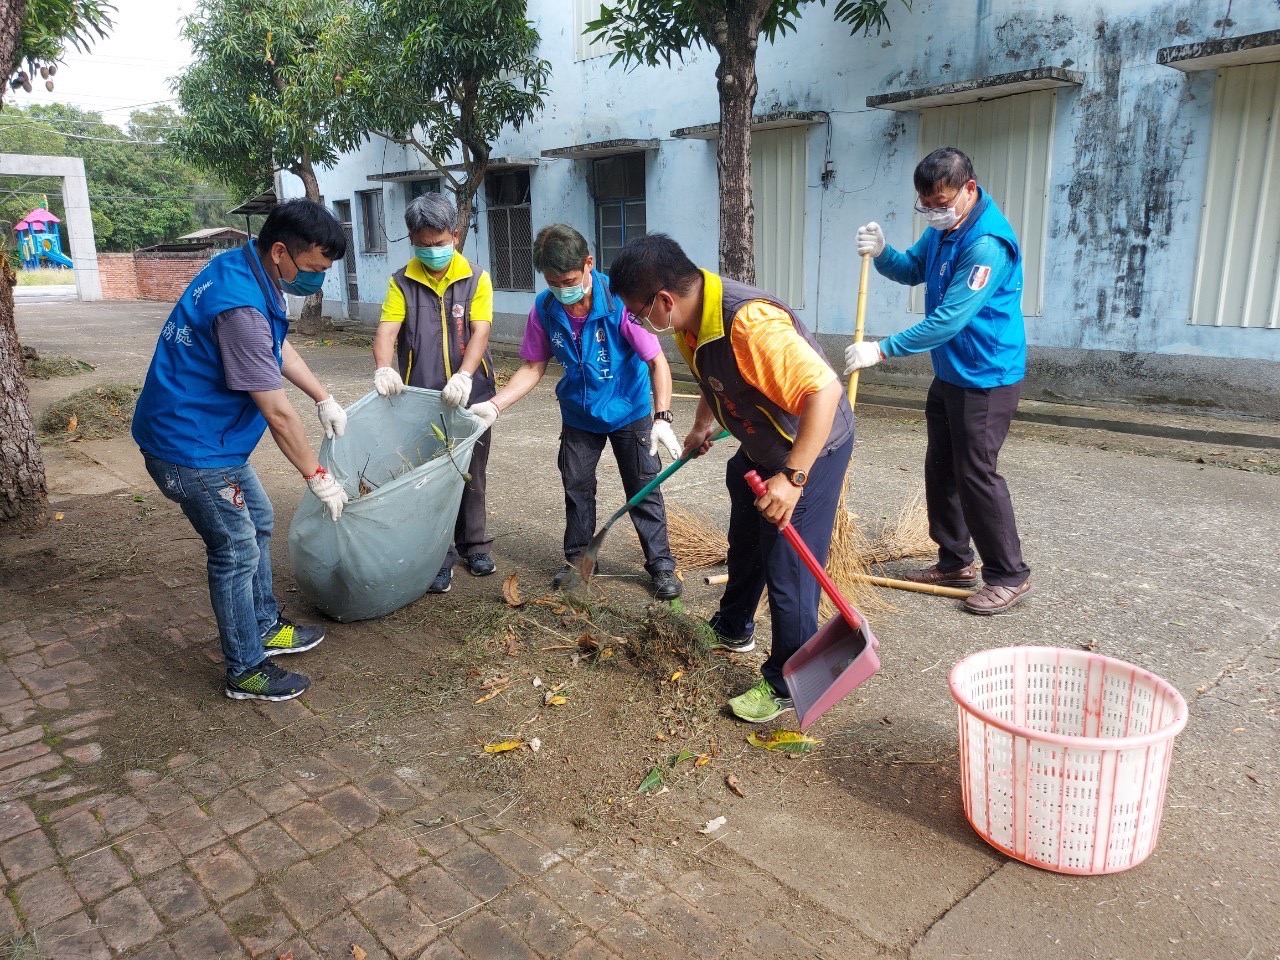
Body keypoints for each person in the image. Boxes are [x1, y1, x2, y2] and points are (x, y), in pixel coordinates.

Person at [608, 234, 854, 723]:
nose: (639, 323)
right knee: (745, 532)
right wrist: (703, 425)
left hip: (810, 447)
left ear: (664, 300)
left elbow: (824, 392)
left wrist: (793, 478)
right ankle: (734, 625)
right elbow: (712, 375)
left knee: (788, 566)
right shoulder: (691, 317)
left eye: (638, 313)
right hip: (761, 444)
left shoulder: (752, 325)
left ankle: (788, 680)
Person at [132, 199, 350, 703]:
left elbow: (277, 346)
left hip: (209, 439)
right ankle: (246, 669)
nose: (317, 280)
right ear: (281, 251)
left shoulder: (243, 268)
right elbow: (277, 414)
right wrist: (319, 476)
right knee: (234, 549)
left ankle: (264, 623)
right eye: (314, 269)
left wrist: (324, 397)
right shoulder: (240, 306)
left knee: (259, 518)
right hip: (190, 447)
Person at [845, 146, 1032, 615]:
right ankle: (954, 559)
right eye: (925, 204)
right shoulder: (947, 230)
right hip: (951, 372)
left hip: (986, 377)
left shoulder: (986, 244)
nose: (933, 211)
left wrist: (881, 349)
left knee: (976, 474)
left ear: (969, 189)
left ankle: (1009, 574)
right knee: (941, 467)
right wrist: (884, 252)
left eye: (942, 202)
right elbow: (913, 269)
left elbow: (949, 320)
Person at [468, 224, 683, 600]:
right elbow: (533, 366)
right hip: (579, 415)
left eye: (568, 279)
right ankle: (579, 564)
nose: (563, 289)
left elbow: (657, 362)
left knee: (643, 488)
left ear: (588, 263)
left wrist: (661, 417)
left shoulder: (618, 302)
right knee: (577, 489)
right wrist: (494, 405)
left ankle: (662, 567)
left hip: (629, 411)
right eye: (553, 281)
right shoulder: (546, 308)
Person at [371, 193, 497, 594]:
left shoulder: (476, 277)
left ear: (455, 236)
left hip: (472, 393)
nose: (432, 251)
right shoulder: (401, 282)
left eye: (439, 243)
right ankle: (437, 557)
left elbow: (480, 330)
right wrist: (385, 367)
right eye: (423, 244)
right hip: (420, 396)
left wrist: (464, 375)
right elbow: (387, 332)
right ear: (412, 240)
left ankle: (474, 545)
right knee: (429, 476)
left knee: (471, 471)